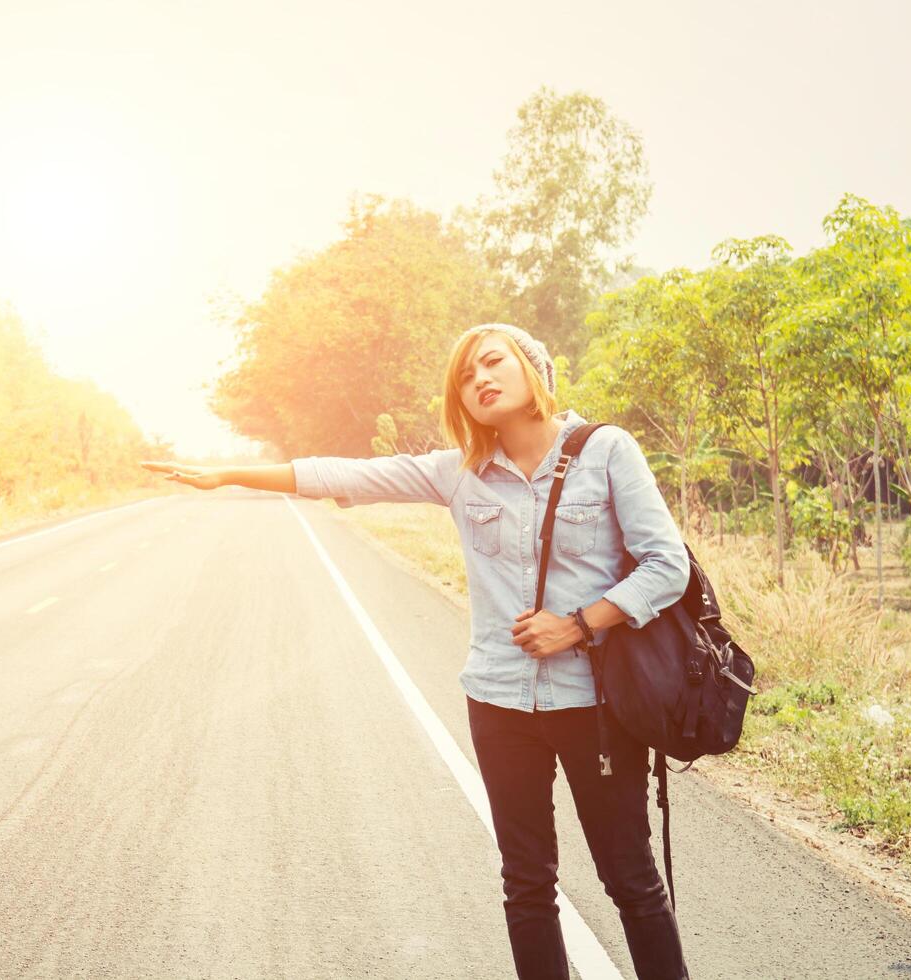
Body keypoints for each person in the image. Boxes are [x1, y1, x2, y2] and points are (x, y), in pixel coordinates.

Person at [140, 322, 692, 980]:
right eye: (465, 376)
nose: (481, 379)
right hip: (498, 704)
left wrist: (577, 623)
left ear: (533, 369)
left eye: (493, 364)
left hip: (594, 705)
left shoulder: (607, 452)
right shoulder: (457, 474)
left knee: (629, 879)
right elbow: (340, 473)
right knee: (526, 885)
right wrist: (226, 473)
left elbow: (666, 566)